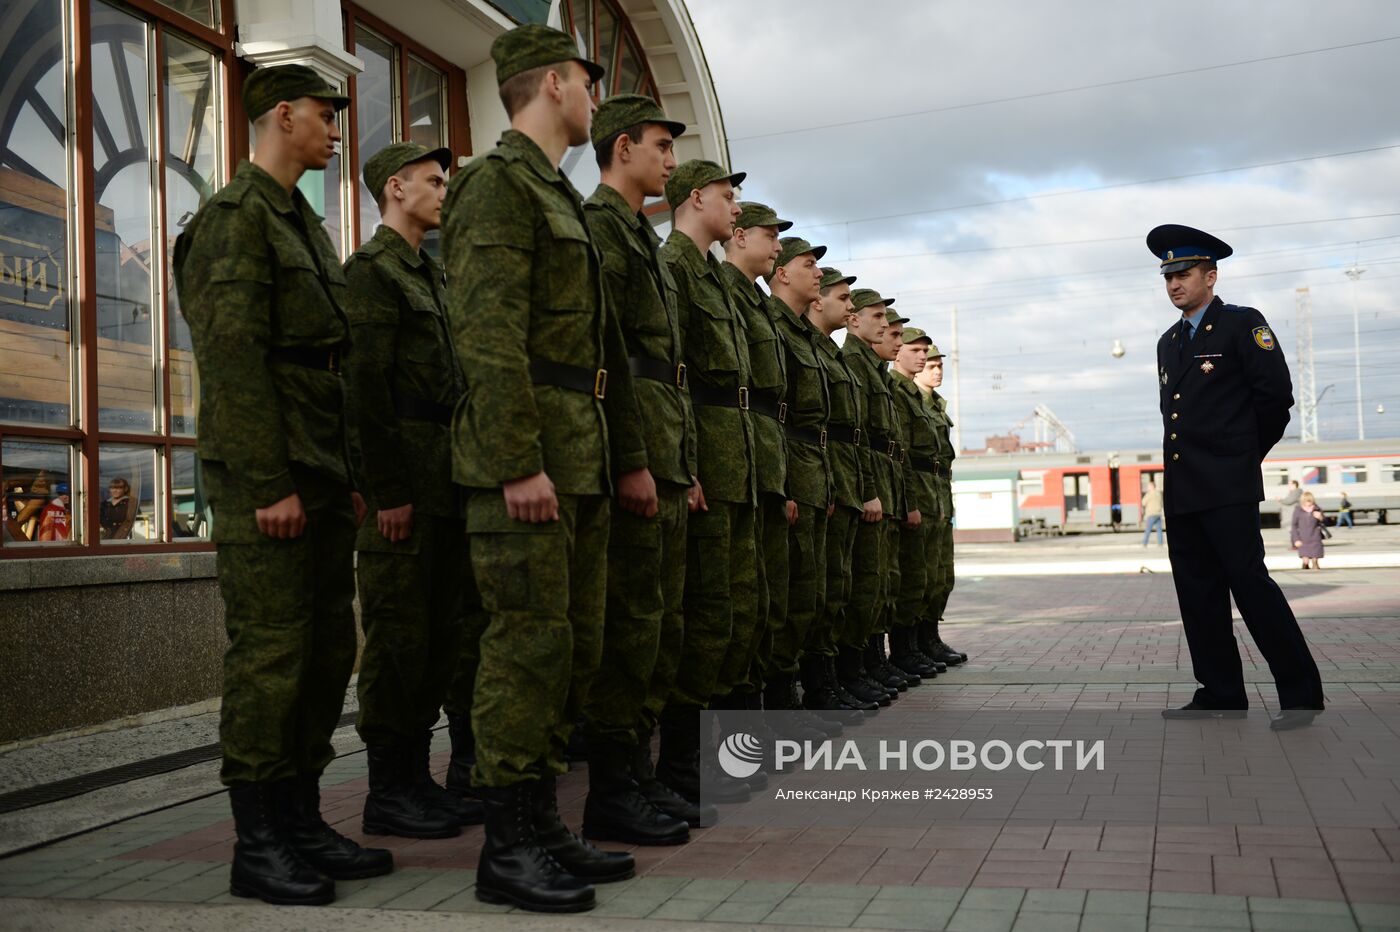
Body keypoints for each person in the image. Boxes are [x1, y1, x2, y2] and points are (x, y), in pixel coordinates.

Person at [440, 24, 650, 912]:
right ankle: (508, 844)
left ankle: (543, 822)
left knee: (571, 648)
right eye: (589, 85)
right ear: (556, 84)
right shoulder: (496, 186)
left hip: (581, 455)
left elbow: (604, 353)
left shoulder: (557, 198)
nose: (595, 102)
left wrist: (626, 459)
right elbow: (487, 336)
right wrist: (519, 463)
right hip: (529, 461)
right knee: (524, 649)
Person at [173, 64, 391, 907]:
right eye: (327, 115)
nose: (338, 130)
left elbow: (328, 366)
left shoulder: (299, 219)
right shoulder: (236, 219)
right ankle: (257, 842)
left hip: (321, 470)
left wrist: (350, 476)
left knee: (327, 649)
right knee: (272, 656)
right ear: (283, 114)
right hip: (272, 475)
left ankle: (300, 820)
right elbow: (232, 364)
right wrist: (268, 482)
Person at [342, 141, 481, 842]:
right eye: (433, 181)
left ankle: (419, 781)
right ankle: (388, 790)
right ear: (395, 188)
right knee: (399, 643)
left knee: (439, 641)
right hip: (406, 493)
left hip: (445, 485)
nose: (443, 191)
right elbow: (363, 393)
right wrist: (386, 490)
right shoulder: (373, 274)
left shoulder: (433, 277)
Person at [577, 93, 698, 844]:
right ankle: (614, 792)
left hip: (662, 451)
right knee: (628, 627)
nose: (670, 161)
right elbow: (611, 357)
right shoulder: (601, 230)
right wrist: (633, 459)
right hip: (634, 457)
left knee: (655, 626)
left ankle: (639, 780)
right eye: (660, 145)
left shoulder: (636, 237)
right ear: (624, 148)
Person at [1148, 223, 1324, 731]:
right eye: (1168, 276)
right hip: (1184, 492)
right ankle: (1220, 692)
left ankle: (1301, 694)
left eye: (1184, 274)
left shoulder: (1243, 324)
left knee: (1251, 587)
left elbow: (1275, 399)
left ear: (1211, 275)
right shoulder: (1168, 342)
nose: (1174, 284)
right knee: (1198, 595)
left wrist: (1243, 457)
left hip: (1227, 486)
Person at [658, 159, 757, 807]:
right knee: (691, 615)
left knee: (726, 611)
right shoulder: (671, 269)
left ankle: (718, 754)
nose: (737, 209)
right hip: (699, 467)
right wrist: (684, 462)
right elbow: (673, 376)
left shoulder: (714, 281)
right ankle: (679, 765)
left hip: (733, 464)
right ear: (697, 198)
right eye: (729, 197)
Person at [813, 268, 887, 711]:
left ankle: (856, 671)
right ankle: (827, 684)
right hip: (825, 475)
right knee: (826, 588)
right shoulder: (847, 358)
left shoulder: (854, 362)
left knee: (865, 584)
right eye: (871, 314)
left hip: (845, 474)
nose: (881, 325)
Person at [842, 289, 917, 695]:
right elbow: (859, 438)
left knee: (882, 583)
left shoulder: (873, 370)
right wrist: (869, 490)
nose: (888, 330)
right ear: (855, 320)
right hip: (863, 485)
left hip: (882, 485)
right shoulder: (853, 361)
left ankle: (871, 664)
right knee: (861, 584)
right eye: (880, 320)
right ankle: (853, 672)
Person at [886, 328, 943, 680]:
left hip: (929, 488)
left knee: (933, 576)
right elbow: (902, 451)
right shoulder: (897, 391)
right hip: (912, 488)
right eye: (916, 350)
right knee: (904, 577)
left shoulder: (917, 397)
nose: (924, 359)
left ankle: (924, 642)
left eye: (928, 353)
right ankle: (903, 651)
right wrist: (909, 500)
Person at [916, 346, 967, 666]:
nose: (937, 370)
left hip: (937, 493)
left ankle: (929, 637)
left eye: (938, 365)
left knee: (941, 576)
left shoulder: (935, 405)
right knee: (917, 577)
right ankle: (913, 646)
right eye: (931, 365)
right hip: (921, 493)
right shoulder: (907, 397)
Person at [1292, 491, 1325, 569]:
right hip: (1303, 538)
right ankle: (1305, 566)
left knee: (1315, 561)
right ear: (1303, 501)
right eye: (1306, 501)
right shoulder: (1298, 510)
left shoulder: (1317, 509)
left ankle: (1316, 569)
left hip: (1315, 537)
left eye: (1310, 501)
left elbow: (1326, 522)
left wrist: (1321, 517)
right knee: (1305, 562)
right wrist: (1296, 539)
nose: (1309, 504)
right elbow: (1294, 525)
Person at [1141, 477, 1165, 547]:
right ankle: (1160, 543)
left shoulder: (1149, 494)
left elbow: (1143, 502)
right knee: (1159, 530)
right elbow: (1161, 503)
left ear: (1152, 487)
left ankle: (1144, 543)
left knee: (1148, 530)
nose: (1148, 487)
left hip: (1151, 514)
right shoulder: (1158, 493)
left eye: (1148, 486)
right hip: (1158, 513)